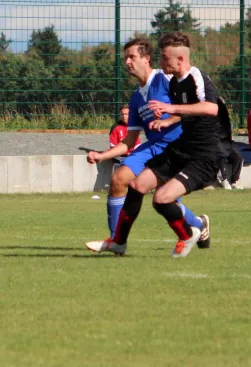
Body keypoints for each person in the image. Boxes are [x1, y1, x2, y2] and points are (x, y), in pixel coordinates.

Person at [87, 32, 229, 258]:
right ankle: (118, 241)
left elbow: (210, 108)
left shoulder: (184, 78)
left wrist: (170, 113)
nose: (127, 62)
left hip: (198, 152)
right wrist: (103, 155)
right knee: (131, 183)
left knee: (163, 198)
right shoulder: (155, 90)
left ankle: (191, 230)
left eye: (131, 56)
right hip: (173, 149)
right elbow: (131, 139)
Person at [216, 96, 243, 190]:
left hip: (228, 142)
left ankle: (235, 180)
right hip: (215, 143)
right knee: (220, 153)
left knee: (238, 155)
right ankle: (222, 178)